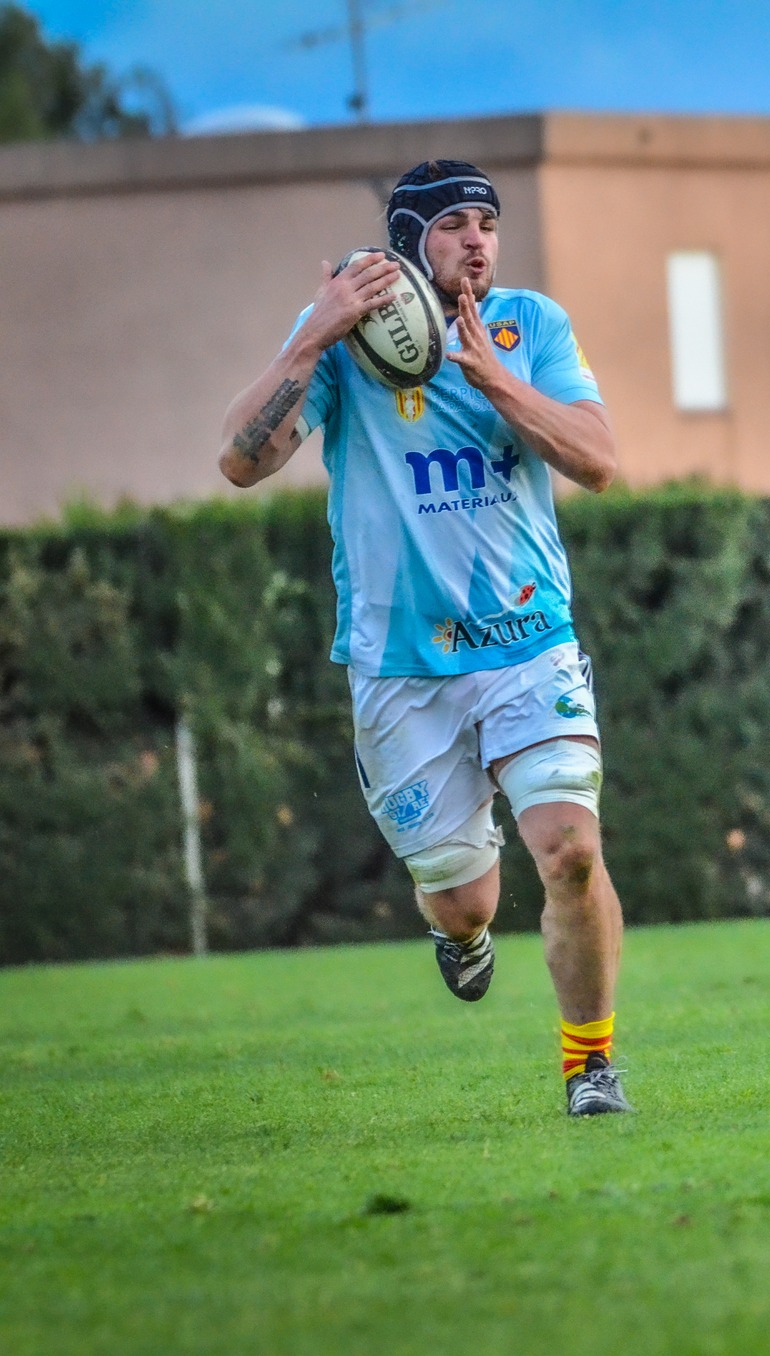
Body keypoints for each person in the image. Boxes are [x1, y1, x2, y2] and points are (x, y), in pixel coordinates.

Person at [216, 160, 633, 1115]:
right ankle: (460, 935)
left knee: (569, 848)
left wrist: (494, 380)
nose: (478, 239)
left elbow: (600, 460)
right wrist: (313, 335)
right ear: (410, 240)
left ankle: (591, 1065)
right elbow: (240, 461)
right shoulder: (346, 337)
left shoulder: (533, 327)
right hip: (401, 664)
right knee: (465, 898)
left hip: (530, 640)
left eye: (487, 220)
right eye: (452, 224)